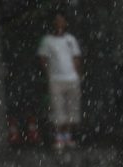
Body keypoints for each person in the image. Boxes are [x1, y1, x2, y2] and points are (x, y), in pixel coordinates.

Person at [38, 13, 82, 151]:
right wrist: (49, 74)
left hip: (71, 79)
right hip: (56, 80)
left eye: (62, 20)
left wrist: (75, 73)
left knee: (71, 109)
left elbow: (76, 57)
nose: (59, 23)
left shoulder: (71, 39)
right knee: (58, 109)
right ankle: (58, 137)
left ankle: (67, 137)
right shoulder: (47, 40)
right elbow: (43, 59)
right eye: (57, 21)